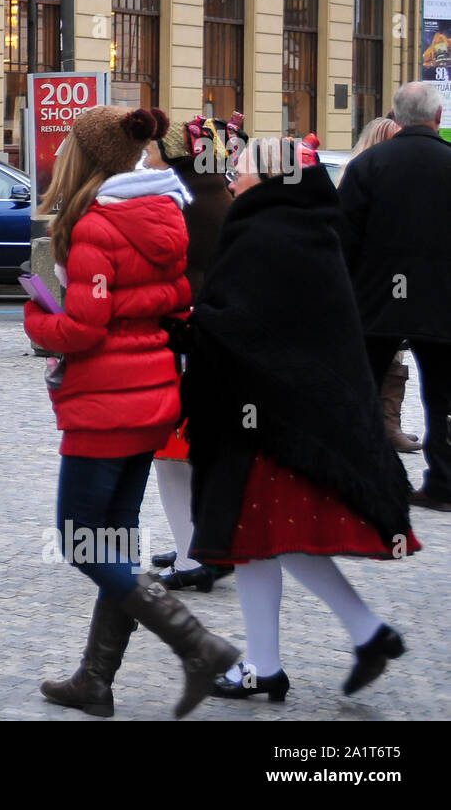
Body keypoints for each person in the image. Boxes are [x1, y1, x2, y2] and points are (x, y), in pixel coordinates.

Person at [183, 137, 419, 701]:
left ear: (267, 179)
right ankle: (276, 663)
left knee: (264, 537)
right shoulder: (304, 224)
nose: (232, 180)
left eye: (239, 171)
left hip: (272, 419)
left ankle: (329, 644)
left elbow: (247, 326)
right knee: (262, 539)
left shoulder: (265, 233)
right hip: (280, 414)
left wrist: (189, 326)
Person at [25, 105, 239, 720]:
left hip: (106, 403)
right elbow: (176, 297)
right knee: (113, 537)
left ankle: (198, 645)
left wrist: (38, 313)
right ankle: (95, 680)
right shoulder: (162, 211)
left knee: (81, 540)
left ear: (88, 157)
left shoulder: (95, 226)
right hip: (152, 396)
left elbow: (83, 328)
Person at [338, 81, 451, 511]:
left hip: (375, 303)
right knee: (444, 398)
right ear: (438, 118)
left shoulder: (370, 165)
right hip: (443, 305)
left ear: (395, 116)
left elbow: (343, 240)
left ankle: (371, 480)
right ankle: (445, 483)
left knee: (361, 393)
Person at [146, 114, 242, 592]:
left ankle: (194, 556)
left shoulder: (178, 200)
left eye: (154, 147)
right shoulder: (218, 193)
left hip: (185, 336)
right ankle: (201, 542)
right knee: (191, 451)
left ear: (174, 154)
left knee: (172, 453)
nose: (146, 153)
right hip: (213, 335)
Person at [340, 116, 421, 455]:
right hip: (367, 283)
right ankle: (372, 427)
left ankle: (389, 423)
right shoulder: (361, 173)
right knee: (371, 354)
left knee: (396, 350)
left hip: (396, 279)